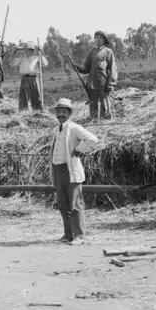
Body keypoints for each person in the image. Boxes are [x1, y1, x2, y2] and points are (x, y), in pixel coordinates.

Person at [49, 98, 99, 244]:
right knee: (63, 204)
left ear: (69, 113)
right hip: (58, 170)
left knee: (75, 204)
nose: (61, 115)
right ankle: (68, 235)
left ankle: (80, 236)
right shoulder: (57, 129)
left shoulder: (74, 128)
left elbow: (93, 140)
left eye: (64, 112)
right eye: (59, 112)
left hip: (70, 170)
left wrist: (79, 149)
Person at [73, 31, 117, 119]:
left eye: (100, 38)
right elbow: (87, 68)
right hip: (92, 82)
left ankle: (106, 119)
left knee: (105, 102)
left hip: (103, 82)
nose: (98, 39)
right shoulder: (92, 52)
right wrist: (79, 68)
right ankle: (94, 119)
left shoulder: (108, 52)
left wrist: (111, 83)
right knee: (93, 102)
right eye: (96, 37)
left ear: (104, 40)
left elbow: (112, 68)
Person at [9, 41, 48, 111]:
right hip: (24, 79)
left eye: (29, 50)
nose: (27, 52)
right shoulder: (22, 59)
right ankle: (23, 111)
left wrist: (41, 53)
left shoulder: (37, 58)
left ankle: (37, 111)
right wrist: (14, 52)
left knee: (35, 95)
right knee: (24, 96)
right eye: (25, 51)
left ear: (33, 51)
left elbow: (45, 64)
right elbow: (12, 63)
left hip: (33, 78)